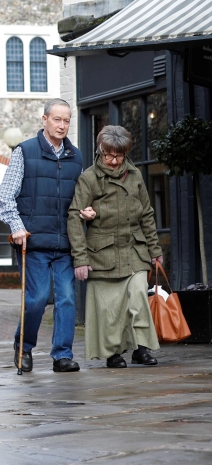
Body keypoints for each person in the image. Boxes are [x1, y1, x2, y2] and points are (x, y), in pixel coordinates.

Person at [0, 98, 84, 373]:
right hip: (33, 241)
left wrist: (87, 210)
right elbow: (6, 196)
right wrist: (16, 226)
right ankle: (23, 346)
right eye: (57, 119)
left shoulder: (76, 157)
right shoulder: (25, 151)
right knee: (36, 299)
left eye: (67, 120)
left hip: (65, 243)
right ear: (44, 120)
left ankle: (62, 355)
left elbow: (80, 198)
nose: (62, 125)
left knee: (66, 299)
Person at [68, 125, 162, 368]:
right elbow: (74, 217)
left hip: (134, 250)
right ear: (100, 151)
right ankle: (113, 354)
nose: (113, 160)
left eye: (118, 156)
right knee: (110, 309)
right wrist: (80, 259)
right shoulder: (89, 178)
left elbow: (147, 214)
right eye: (108, 155)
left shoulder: (135, 175)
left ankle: (141, 349)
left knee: (139, 297)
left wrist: (155, 250)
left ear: (125, 153)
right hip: (102, 254)